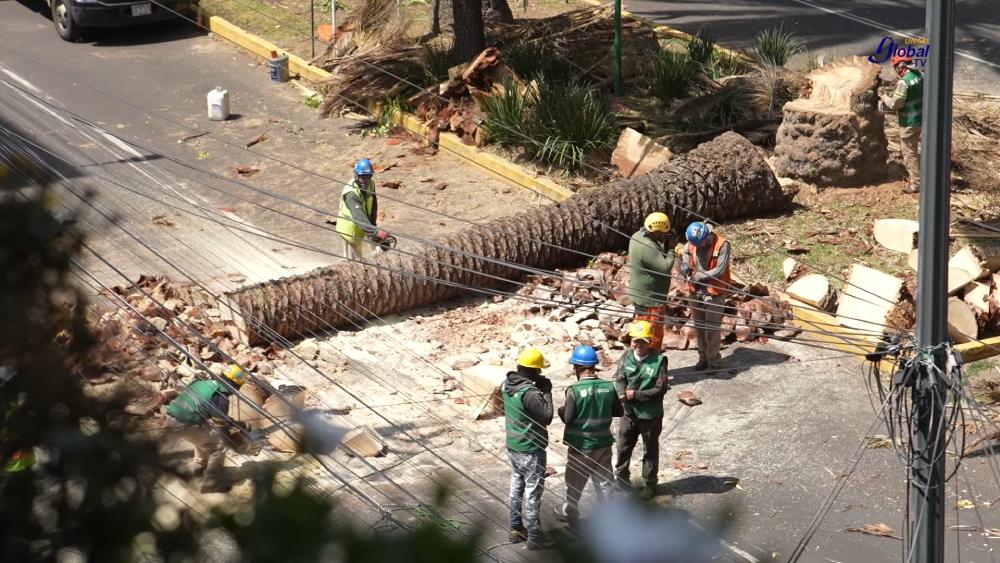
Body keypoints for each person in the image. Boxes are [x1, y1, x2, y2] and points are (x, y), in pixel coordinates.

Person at [555, 345, 622, 526]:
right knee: (605, 482)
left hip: (580, 446)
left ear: (577, 367)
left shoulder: (573, 390)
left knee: (575, 481)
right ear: (594, 366)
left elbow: (568, 418)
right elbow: (619, 411)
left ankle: (571, 512)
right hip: (603, 444)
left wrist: (561, 410)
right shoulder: (608, 386)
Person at [165, 364, 247, 493]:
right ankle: (211, 483)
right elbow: (220, 425)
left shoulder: (205, 382)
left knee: (204, 437)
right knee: (219, 446)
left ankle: (199, 467)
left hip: (172, 416)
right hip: (185, 424)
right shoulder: (220, 395)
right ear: (235, 384)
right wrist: (233, 438)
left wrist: (229, 424)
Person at [503, 348, 554, 550]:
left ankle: (515, 529)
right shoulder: (529, 393)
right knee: (533, 493)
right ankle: (535, 537)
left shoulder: (506, 385)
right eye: (539, 371)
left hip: (513, 447)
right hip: (531, 449)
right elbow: (547, 416)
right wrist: (547, 392)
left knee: (516, 486)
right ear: (532, 371)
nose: (541, 374)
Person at [613, 321, 668, 496]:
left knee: (650, 450)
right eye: (635, 341)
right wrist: (621, 393)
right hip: (628, 413)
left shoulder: (659, 360)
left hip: (650, 415)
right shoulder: (626, 356)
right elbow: (619, 377)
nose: (638, 345)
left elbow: (660, 389)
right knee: (622, 446)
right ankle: (621, 479)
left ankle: (650, 484)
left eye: (643, 341)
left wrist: (635, 395)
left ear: (650, 341)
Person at [681, 221, 732, 371]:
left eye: (701, 243)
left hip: (714, 293)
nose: (699, 246)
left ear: (707, 236)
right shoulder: (692, 242)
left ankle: (713, 362)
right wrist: (684, 265)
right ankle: (702, 358)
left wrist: (700, 276)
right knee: (700, 328)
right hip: (695, 291)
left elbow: (720, 270)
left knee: (712, 330)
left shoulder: (722, 245)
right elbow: (685, 254)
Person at [628, 212, 676, 351]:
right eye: (663, 233)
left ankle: (638, 358)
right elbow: (665, 267)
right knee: (653, 333)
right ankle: (651, 361)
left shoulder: (637, 236)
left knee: (640, 330)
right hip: (650, 299)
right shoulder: (647, 247)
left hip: (640, 295)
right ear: (657, 232)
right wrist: (671, 248)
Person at [879, 54, 923, 194]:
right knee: (915, 149)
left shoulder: (903, 83)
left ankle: (916, 183)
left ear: (901, 67)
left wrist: (885, 97)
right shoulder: (919, 75)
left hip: (909, 122)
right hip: (921, 118)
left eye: (896, 68)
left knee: (909, 153)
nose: (896, 71)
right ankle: (923, 174)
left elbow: (895, 104)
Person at [335, 158, 392, 259]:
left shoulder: (371, 184)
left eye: (367, 177)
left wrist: (373, 226)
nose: (364, 180)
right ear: (356, 175)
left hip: (365, 225)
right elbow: (358, 216)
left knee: (378, 253)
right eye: (361, 176)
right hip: (349, 229)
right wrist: (374, 232)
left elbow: (373, 204)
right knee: (354, 263)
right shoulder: (351, 193)